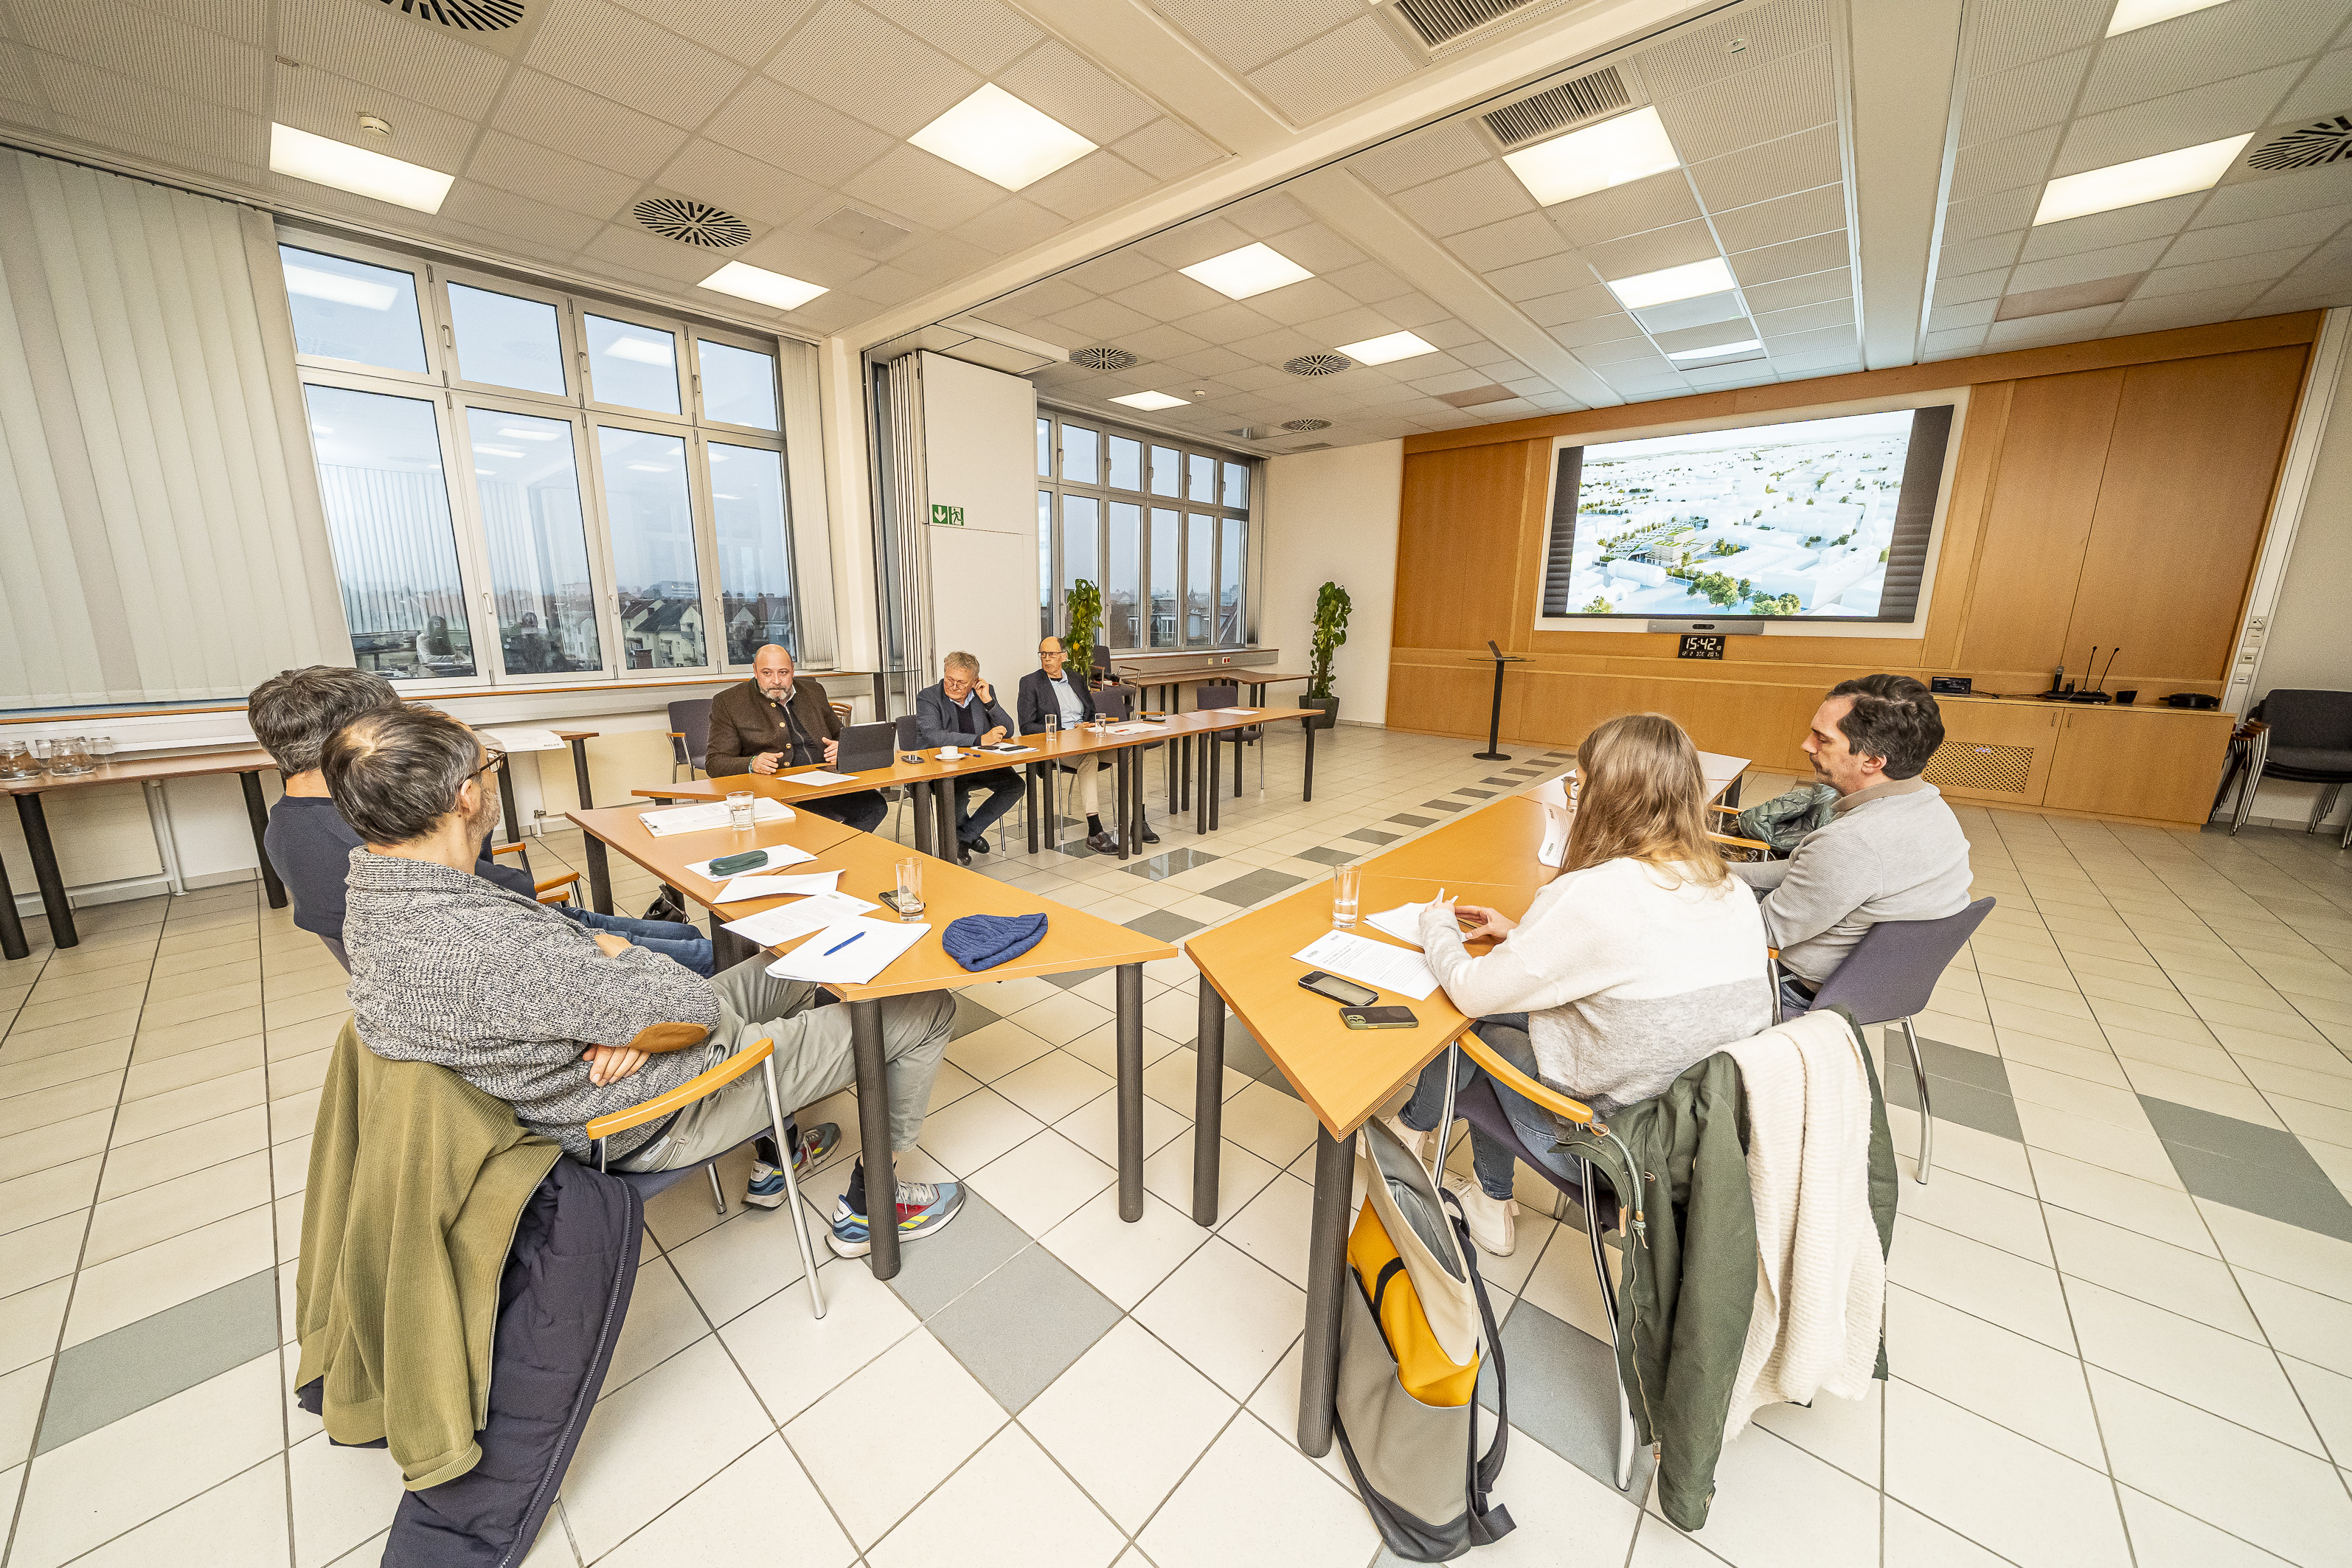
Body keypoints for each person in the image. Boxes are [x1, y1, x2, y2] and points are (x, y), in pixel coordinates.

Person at [327, 705, 961, 1255]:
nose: (494, 773)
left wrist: (624, 1012)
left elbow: (606, 993)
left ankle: (780, 1153)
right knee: (924, 1006)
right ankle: (878, 1199)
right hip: (664, 1108)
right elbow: (682, 1001)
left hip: (640, 1057)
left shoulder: (386, 897)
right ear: (465, 796)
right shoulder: (475, 947)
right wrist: (619, 972)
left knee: (797, 957)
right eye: (488, 762)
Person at [1385, 713, 1774, 1256]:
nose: (1575, 794)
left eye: (1579, 782)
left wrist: (1438, 930)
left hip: (1611, 1154)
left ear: (1603, 795)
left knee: (1474, 1028)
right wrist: (1522, 936)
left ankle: (1423, 1144)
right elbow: (1634, 960)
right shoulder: (1727, 886)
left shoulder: (1593, 894)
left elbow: (1472, 990)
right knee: (1506, 1012)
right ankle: (1468, 1183)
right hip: (1699, 1145)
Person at [249, 666, 717, 979]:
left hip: (526, 931)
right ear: (353, 742)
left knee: (688, 934)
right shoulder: (363, 835)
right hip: (532, 949)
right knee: (713, 954)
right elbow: (492, 907)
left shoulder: (286, 826)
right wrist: (467, 793)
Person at [1730, 674, 1971, 1013]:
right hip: (1881, 987)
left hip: (1790, 992)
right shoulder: (1930, 807)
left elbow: (1761, 932)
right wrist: (1717, 872)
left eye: (1822, 739)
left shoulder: (1852, 843)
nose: (1807, 745)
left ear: (1872, 761)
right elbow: (1805, 871)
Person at [705, 645, 886, 834]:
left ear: (792, 669)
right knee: (805, 823)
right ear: (755, 671)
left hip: (826, 783)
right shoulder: (729, 702)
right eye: (767, 673)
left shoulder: (813, 691)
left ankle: (836, 851)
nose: (776, 681)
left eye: (783, 672)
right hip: (779, 792)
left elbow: (840, 734)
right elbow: (715, 762)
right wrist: (752, 763)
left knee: (874, 806)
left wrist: (842, 747)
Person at [1018, 636, 1119, 853]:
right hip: (1059, 746)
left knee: (1129, 752)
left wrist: (1087, 725)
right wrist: (1065, 731)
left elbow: (1091, 711)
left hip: (1087, 739)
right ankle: (1095, 832)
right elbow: (1026, 727)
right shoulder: (1030, 683)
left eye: (1051, 654)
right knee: (1088, 759)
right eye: (1043, 654)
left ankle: (1140, 819)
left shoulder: (1076, 678)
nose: (1046, 659)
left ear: (1063, 656)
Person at [916, 651, 1021, 856]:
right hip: (943, 768)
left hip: (977, 763)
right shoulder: (928, 697)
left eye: (961, 683)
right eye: (949, 680)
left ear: (975, 681)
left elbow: (1008, 731)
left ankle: (965, 836)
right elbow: (934, 736)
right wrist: (980, 740)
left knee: (1015, 785)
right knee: (956, 790)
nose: (954, 687)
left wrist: (989, 702)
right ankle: (963, 838)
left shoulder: (983, 694)